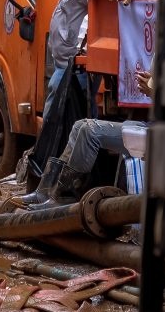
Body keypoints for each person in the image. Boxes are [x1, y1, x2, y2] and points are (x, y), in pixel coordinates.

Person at [23, 0, 112, 190]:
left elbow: (97, 13)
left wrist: (81, 55)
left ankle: (59, 183)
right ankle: (55, 181)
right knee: (60, 121)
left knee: (61, 121)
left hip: (76, 64)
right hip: (68, 61)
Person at [17, 72, 151, 209]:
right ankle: (46, 192)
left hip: (161, 134)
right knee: (78, 126)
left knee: (89, 131)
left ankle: (66, 195)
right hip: (154, 126)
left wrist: (152, 90)